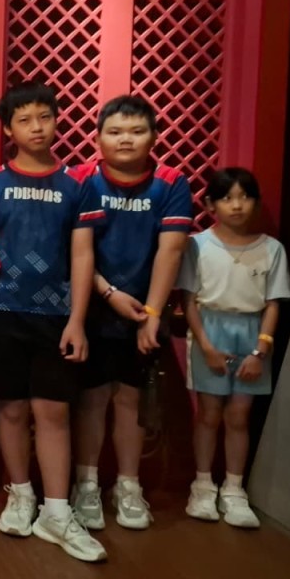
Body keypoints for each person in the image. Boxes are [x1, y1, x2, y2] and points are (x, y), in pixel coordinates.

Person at [0, 84, 106, 561]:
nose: (36, 128)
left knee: (54, 412)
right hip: (0, 314)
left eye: (44, 117)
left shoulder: (77, 185)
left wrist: (78, 320)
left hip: (57, 318)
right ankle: (21, 493)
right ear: (8, 129)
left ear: (56, 120)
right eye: (24, 120)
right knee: (10, 409)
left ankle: (56, 511)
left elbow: (83, 254)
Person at [67, 95, 192, 531]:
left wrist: (153, 313)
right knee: (92, 398)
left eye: (137, 131)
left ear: (153, 136)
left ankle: (128, 485)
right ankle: (86, 485)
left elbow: (170, 250)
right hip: (92, 307)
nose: (126, 139)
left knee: (130, 399)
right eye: (115, 131)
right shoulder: (81, 179)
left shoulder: (170, 182)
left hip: (143, 312)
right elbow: (74, 249)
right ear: (98, 137)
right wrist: (107, 294)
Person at [178, 167, 290, 528]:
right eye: (227, 198)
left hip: (253, 333)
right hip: (209, 329)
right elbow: (189, 301)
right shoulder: (197, 245)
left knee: (240, 415)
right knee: (209, 413)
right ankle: (202, 485)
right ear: (211, 204)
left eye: (245, 197)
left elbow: (273, 303)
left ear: (256, 202)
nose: (237, 205)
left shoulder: (272, 249)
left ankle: (234, 488)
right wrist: (206, 346)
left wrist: (260, 351)